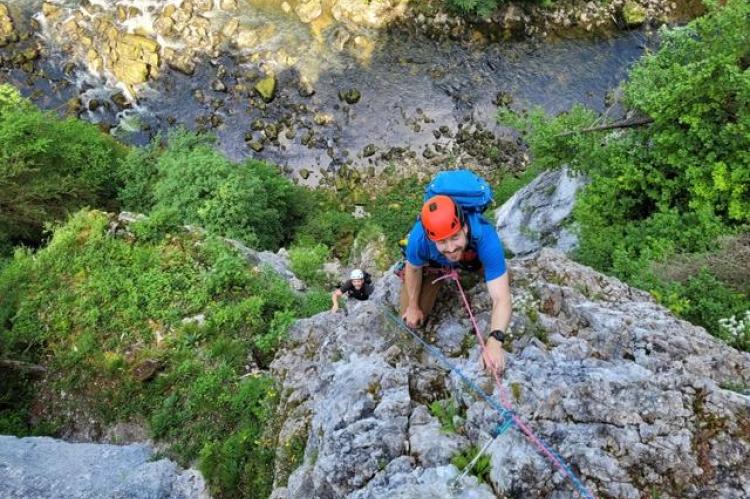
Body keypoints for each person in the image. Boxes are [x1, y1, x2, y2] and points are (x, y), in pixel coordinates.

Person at [400, 194, 512, 375]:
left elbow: (501, 298)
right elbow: (412, 269)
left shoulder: (485, 236)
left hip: (471, 260)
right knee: (411, 320)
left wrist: (495, 341)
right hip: (434, 267)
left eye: (454, 237)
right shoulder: (419, 239)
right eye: (442, 242)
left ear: (465, 228)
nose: (451, 248)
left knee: (505, 279)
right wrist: (413, 306)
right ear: (431, 239)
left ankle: (475, 268)